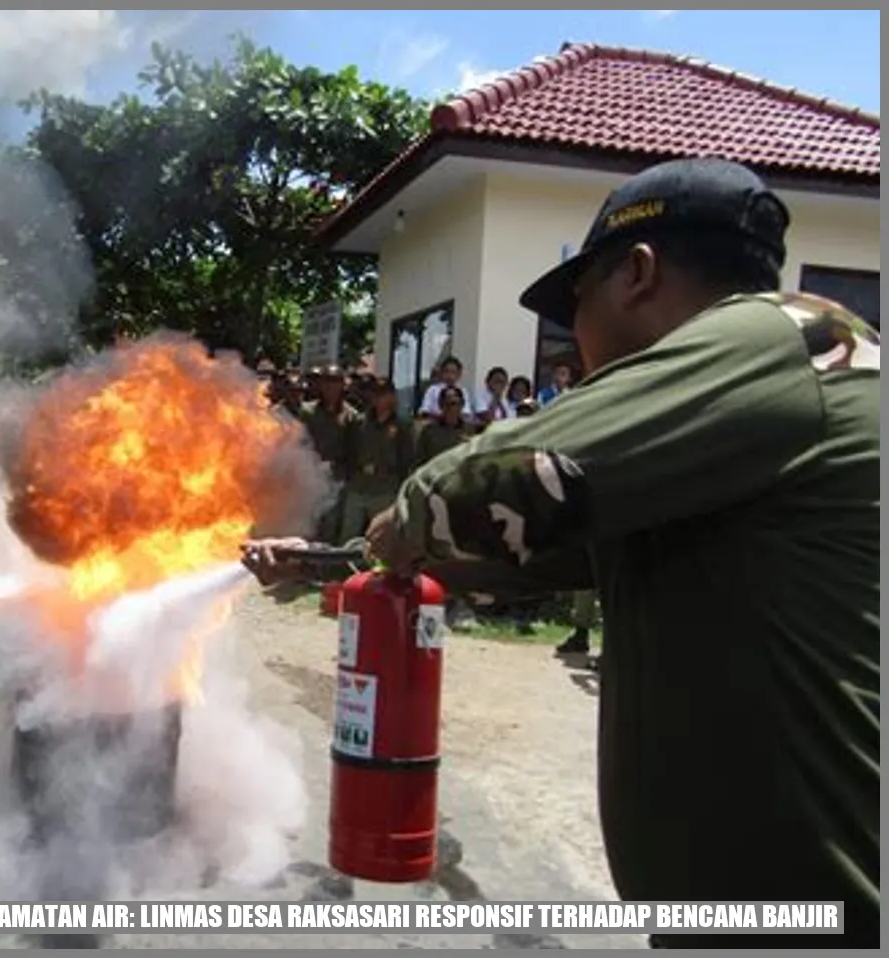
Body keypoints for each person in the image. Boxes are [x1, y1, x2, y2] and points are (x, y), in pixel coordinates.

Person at [245, 158, 880, 948]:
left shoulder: (791, 337)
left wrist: (407, 516)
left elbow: (489, 482)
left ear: (638, 274)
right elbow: (527, 558)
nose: (571, 343)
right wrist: (321, 561)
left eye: (574, 307)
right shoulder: (710, 446)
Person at [339, 379, 411, 543]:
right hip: (359, 486)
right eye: (376, 394)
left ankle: (380, 569)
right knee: (348, 534)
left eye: (384, 394)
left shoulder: (401, 424)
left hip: (386, 488)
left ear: (392, 396)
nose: (379, 399)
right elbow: (349, 451)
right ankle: (342, 568)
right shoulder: (358, 422)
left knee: (381, 536)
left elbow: (406, 457)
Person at [297, 365, 360, 543]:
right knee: (308, 521)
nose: (330, 387)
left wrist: (344, 472)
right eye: (326, 382)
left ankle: (324, 565)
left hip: (336, 477)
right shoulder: (308, 411)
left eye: (335, 382)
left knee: (331, 523)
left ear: (342, 385)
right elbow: (300, 441)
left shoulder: (351, 416)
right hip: (310, 475)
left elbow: (353, 449)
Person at [414, 385, 469, 468]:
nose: (450, 408)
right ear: (440, 405)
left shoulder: (472, 430)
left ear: (462, 404)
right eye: (445, 404)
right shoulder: (429, 431)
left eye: (453, 404)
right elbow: (419, 460)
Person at [417, 355, 471, 421]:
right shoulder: (432, 390)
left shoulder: (463, 391)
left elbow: (466, 414)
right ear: (441, 373)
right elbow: (423, 412)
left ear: (459, 374)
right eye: (446, 371)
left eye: (453, 372)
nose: (449, 375)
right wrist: (443, 417)